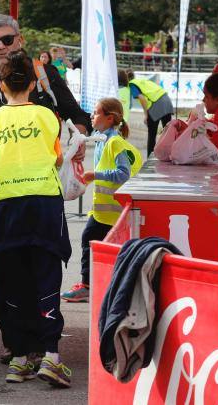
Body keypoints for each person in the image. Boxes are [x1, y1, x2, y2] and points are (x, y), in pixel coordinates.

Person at [0, 50, 72, 387]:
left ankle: (18, 358)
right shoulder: (48, 117)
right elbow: (57, 159)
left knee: (13, 282)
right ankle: (51, 356)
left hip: (7, 206)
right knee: (47, 279)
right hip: (45, 204)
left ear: (1, 85)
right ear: (33, 84)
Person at [0, 15, 90, 259]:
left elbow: (77, 115)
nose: (1, 46)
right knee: (2, 262)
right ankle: (4, 298)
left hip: (39, 193)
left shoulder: (43, 74)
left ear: (20, 40)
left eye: (7, 39)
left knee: (40, 263)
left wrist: (78, 139)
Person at [61, 98, 141, 303]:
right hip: (104, 212)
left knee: (90, 240)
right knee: (103, 246)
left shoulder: (114, 142)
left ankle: (88, 286)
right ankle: (106, 285)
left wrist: (94, 175)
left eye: (96, 113)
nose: (91, 116)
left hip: (111, 212)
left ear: (110, 118)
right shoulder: (102, 139)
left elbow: (122, 174)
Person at [127, 70, 174, 156]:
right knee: (168, 132)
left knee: (152, 134)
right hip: (166, 100)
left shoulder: (132, 84)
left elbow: (142, 98)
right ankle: (170, 155)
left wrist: (146, 114)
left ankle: (150, 157)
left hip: (156, 103)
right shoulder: (142, 81)